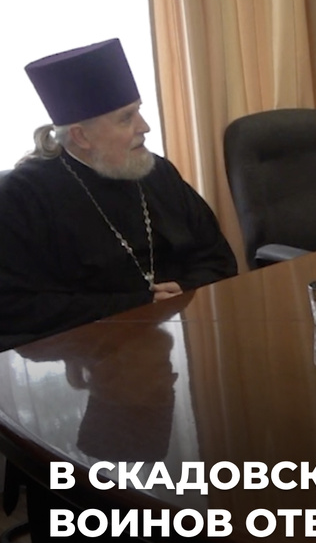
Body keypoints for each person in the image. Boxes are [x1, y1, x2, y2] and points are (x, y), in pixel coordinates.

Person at [0, 39, 237, 352]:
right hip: (88, 352)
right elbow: (15, 307)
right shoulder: (21, 196)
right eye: (127, 118)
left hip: (181, 337)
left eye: (139, 111)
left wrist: (184, 288)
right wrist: (137, 305)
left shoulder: (158, 173)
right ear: (81, 136)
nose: (145, 127)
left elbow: (218, 258)